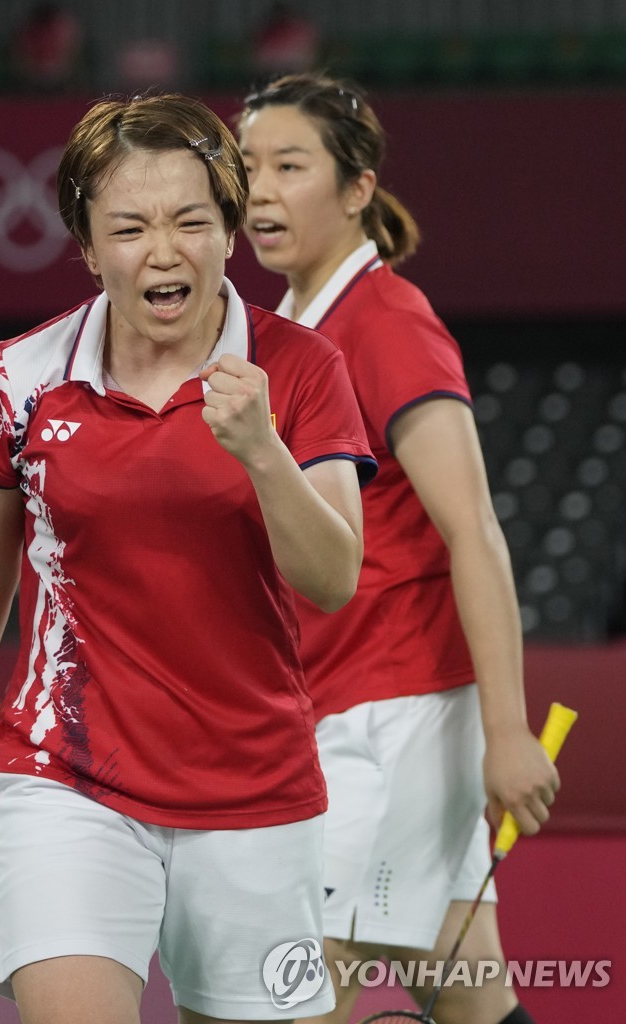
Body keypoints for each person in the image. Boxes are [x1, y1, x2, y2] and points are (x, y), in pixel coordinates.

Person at [0, 92, 377, 1024]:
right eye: (128, 228)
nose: (163, 252)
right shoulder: (16, 382)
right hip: (68, 775)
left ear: (230, 229)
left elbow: (332, 579)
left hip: (255, 786)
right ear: (87, 248)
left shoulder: (300, 369)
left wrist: (261, 450)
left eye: (191, 222)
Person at [237, 73, 560, 1024]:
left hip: (400, 712)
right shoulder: (288, 336)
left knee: (300, 999)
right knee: (467, 991)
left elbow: (475, 530)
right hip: (343, 704)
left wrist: (507, 730)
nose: (259, 191)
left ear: (356, 187)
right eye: (247, 166)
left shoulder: (384, 322)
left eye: (290, 166)